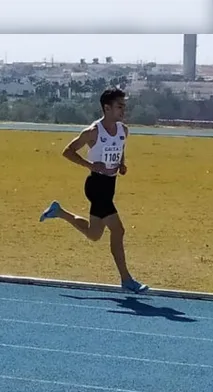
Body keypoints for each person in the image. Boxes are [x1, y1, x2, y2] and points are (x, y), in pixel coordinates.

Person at [38, 87, 148, 294]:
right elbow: (68, 152)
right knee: (119, 230)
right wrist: (91, 165)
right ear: (107, 108)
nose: (123, 110)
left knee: (94, 234)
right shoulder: (93, 132)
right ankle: (126, 279)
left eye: (124, 106)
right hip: (96, 186)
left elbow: (120, 149)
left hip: (110, 186)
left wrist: (121, 164)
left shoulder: (124, 130)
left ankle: (58, 211)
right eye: (119, 106)